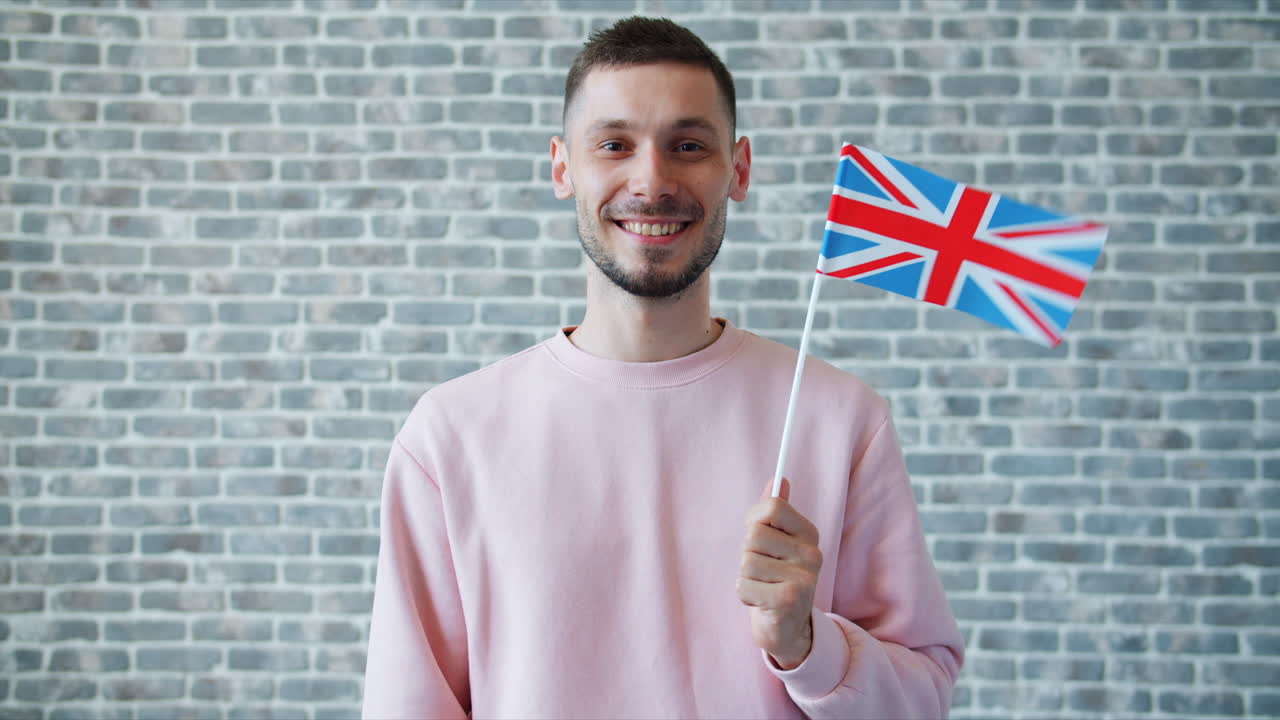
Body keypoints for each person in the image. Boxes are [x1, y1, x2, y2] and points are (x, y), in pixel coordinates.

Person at [362, 16, 964, 719]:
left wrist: (809, 646)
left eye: (688, 145)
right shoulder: (448, 437)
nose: (652, 180)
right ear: (564, 167)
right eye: (614, 144)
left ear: (737, 169)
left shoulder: (842, 420)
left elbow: (923, 699)